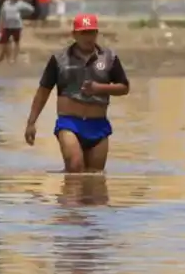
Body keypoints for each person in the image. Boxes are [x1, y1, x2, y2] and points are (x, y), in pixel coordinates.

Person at [25, 14, 129, 173]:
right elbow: (43, 91)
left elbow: (124, 87)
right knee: (75, 167)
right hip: (70, 124)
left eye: (92, 32)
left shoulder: (109, 58)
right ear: (74, 34)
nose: (88, 37)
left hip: (98, 125)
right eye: (84, 33)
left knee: (95, 177)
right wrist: (31, 122)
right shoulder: (59, 59)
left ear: (97, 33)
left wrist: (99, 88)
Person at [0, 0, 34, 65]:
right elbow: (2, 15)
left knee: (16, 42)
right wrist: (0, 26)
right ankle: (0, 57)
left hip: (17, 26)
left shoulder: (20, 4)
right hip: (7, 26)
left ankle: (14, 59)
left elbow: (31, 9)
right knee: (2, 42)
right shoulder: (6, 3)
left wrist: (23, 15)